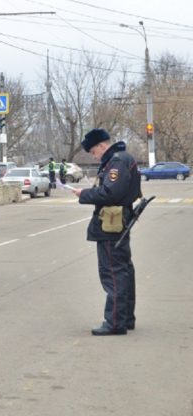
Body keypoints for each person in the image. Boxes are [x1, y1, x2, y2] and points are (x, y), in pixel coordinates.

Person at [72, 129, 141, 336]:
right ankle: (125, 317)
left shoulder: (117, 161)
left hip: (112, 221)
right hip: (118, 220)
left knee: (113, 272)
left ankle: (115, 322)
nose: (94, 156)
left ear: (102, 146)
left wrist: (83, 194)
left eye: (94, 152)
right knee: (123, 270)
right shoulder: (120, 159)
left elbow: (111, 192)